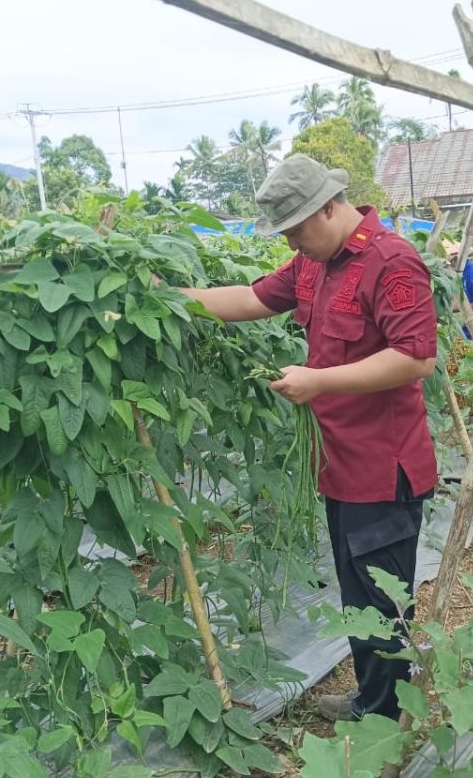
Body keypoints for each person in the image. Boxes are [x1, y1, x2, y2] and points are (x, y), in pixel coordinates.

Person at [177, 154, 439, 722]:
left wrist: (318, 380)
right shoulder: (312, 263)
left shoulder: (392, 262)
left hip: (382, 468)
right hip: (340, 462)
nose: (293, 242)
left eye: (296, 229)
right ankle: (375, 700)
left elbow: (415, 359)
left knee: (381, 599)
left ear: (328, 208)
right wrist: (170, 297)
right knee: (357, 595)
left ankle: (386, 720)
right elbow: (250, 299)